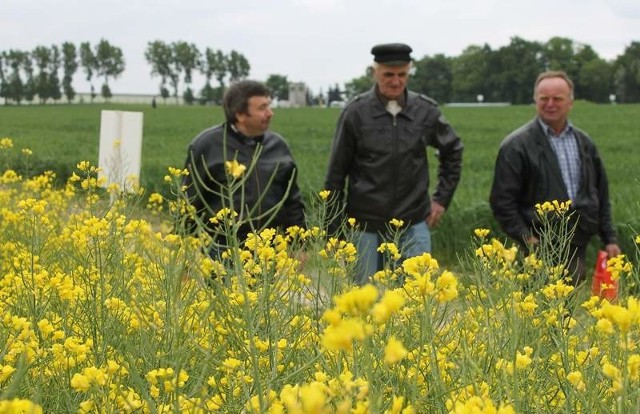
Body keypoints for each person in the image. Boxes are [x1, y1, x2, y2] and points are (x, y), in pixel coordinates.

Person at [324, 43, 463, 284]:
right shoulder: (355, 113)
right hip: (363, 225)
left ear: (409, 72)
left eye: (402, 75)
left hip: (413, 221)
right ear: (375, 72)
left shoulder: (425, 111)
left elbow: (453, 150)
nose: (396, 81)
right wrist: (333, 230)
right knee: (363, 302)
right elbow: (336, 173)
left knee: (414, 302)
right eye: (389, 74)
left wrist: (441, 199)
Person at [489, 70, 621, 285]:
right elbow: (502, 202)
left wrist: (610, 238)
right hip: (537, 245)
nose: (550, 104)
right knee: (538, 310)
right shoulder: (516, 146)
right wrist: (528, 239)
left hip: (577, 241)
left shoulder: (584, 143)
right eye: (544, 99)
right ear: (535, 101)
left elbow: (600, 193)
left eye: (557, 98)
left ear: (570, 102)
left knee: (564, 309)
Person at [182, 80, 305, 256]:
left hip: (270, 252)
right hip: (222, 251)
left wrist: (298, 245)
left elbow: (292, 201)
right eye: (262, 108)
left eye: (269, 106)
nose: (270, 113)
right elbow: (189, 203)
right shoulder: (207, 145)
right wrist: (183, 260)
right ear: (240, 114)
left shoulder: (279, 146)